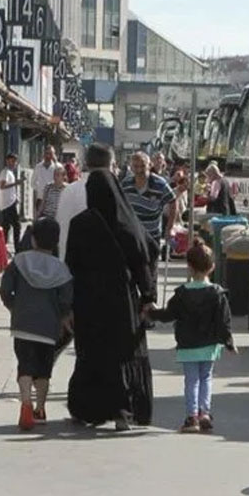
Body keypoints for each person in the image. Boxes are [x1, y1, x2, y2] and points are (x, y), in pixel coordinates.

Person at [65, 144, 156, 430]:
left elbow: (71, 267)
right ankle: (123, 413)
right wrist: (148, 297)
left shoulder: (81, 224)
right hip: (122, 301)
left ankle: (89, 409)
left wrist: (67, 306)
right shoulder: (127, 222)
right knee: (122, 353)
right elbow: (145, 254)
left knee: (92, 353)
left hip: (88, 301)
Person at [149, 238, 236, 433]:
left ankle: (191, 417)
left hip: (188, 345)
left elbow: (168, 315)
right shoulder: (217, 294)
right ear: (212, 267)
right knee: (206, 377)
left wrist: (151, 311)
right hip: (209, 344)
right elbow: (224, 320)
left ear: (188, 267)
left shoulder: (181, 294)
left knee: (191, 380)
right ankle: (205, 412)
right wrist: (228, 342)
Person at [0, 218, 73, 430]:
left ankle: (25, 403)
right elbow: (66, 300)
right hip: (48, 328)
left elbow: (5, 290)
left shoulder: (19, 262)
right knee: (43, 370)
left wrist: (14, 306)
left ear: (33, 240)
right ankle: (39, 409)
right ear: (56, 242)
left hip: (22, 324)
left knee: (24, 365)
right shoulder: (61, 270)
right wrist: (61, 316)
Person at [122, 151, 176, 277]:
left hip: (152, 236)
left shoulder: (160, 183)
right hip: (133, 236)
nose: (139, 170)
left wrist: (169, 227)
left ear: (149, 165)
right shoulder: (126, 184)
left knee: (150, 273)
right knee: (132, 274)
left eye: (143, 166)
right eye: (136, 166)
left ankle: (151, 295)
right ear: (131, 167)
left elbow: (173, 202)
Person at [0, 152, 26, 251]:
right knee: (16, 226)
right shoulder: (5, 172)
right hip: (7, 204)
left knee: (7, 226)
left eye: (15, 161)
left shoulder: (9, 172)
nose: (14, 163)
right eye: (12, 161)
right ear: (7, 161)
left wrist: (15, 197)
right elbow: (2, 186)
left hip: (10, 202)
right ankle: (17, 248)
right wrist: (16, 183)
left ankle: (3, 248)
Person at [30, 145, 63, 211]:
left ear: (54, 155)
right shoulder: (38, 167)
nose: (48, 156)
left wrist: (56, 163)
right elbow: (32, 183)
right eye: (46, 153)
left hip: (54, 199)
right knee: (39, 219)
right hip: (41, 198)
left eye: (51, 153)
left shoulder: (58, 166)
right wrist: (40, 188)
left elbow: (62, 181)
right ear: (43, 154)